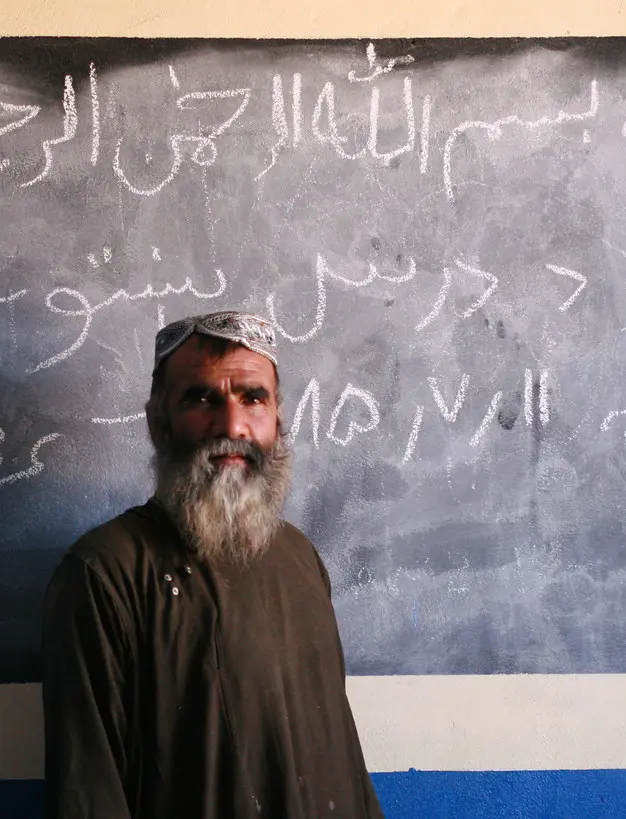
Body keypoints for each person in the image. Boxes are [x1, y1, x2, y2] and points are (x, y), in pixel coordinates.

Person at [42, 311, 384, 819]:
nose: (232, 426)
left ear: (278, 419)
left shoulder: (300, 557)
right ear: (160, 422)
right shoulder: (104, 572)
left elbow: (340, 751)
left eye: (253, 398)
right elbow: (87, 794)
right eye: (202, 399)